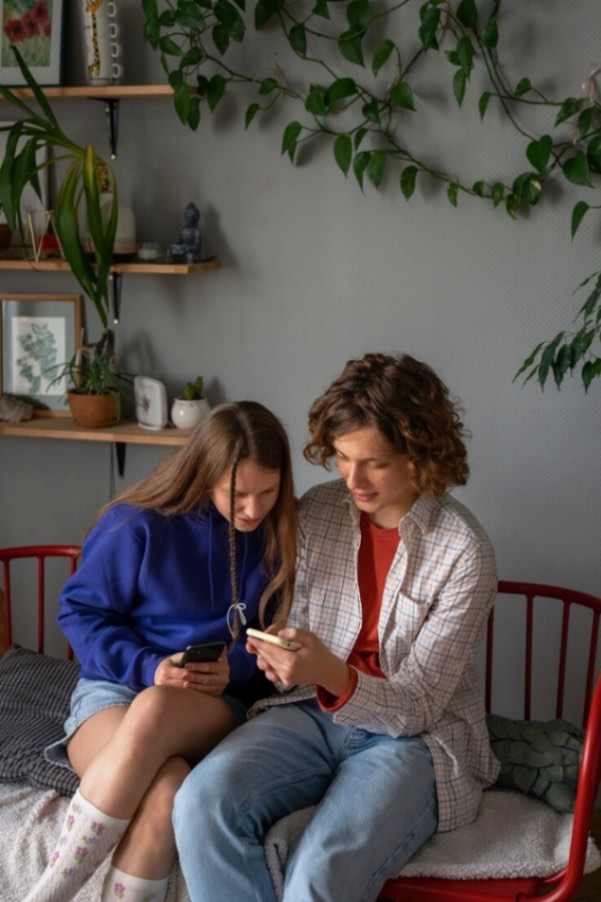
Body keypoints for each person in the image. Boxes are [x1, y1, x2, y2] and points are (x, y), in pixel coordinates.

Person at [173, 353, 500, 902]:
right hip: (304, 711)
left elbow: (418, 703)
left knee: (319, 873)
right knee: (200, 802)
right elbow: (283, 612)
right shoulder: (318, 511)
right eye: (343, 458)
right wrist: (280, 652)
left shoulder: (464, 551)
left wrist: (333, 674)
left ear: (420, 455)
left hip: (413, 741)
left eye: (374, 462)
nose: (353, 478)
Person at [24, 400, 297, 902]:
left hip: (212, 705)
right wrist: (148, 667)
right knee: (167, 789)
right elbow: (78, 615)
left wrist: (231, 666)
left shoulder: (279, 534)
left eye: (268, 491)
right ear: (204, 474)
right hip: (116, 689)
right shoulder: (137, 525)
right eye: (238, 494)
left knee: (157, 707)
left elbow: (278, 642)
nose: (254, 509)